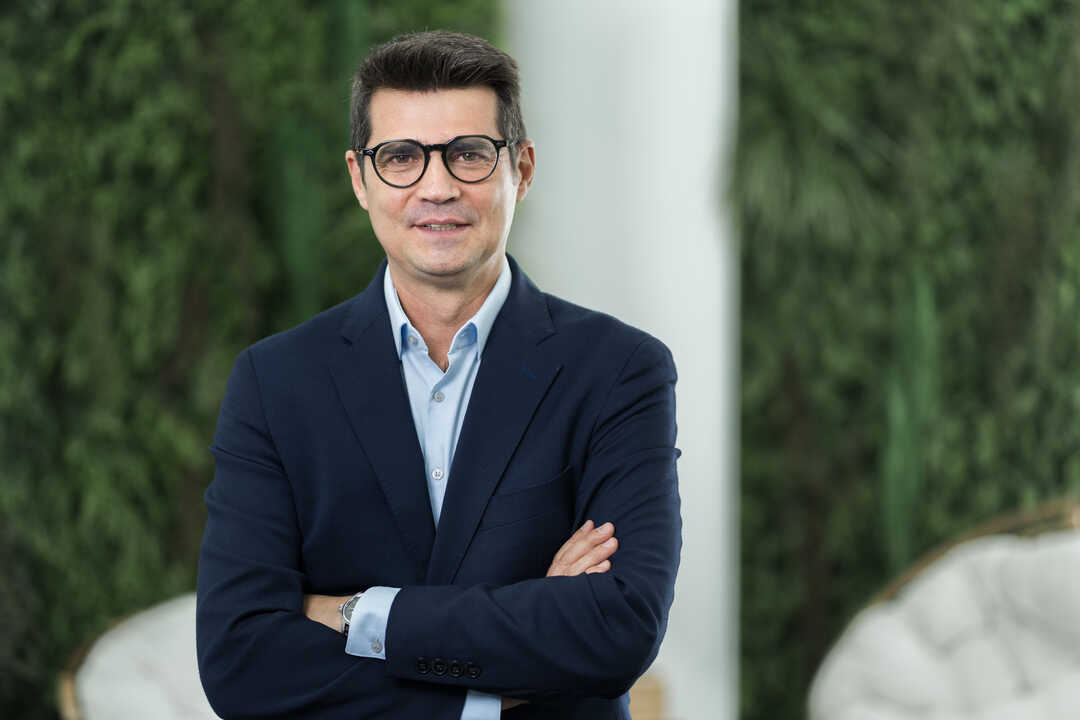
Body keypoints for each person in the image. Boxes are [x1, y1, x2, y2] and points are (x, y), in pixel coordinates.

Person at [196, 30, 681, 720]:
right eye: (400, 157)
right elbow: (241, 662)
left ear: (522, 169)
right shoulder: (273, 384)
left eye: (469, 154)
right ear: (359, 179)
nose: (437, 186)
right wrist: (501, 670)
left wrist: (359, 614)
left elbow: (617, 629)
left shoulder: (619, 371)